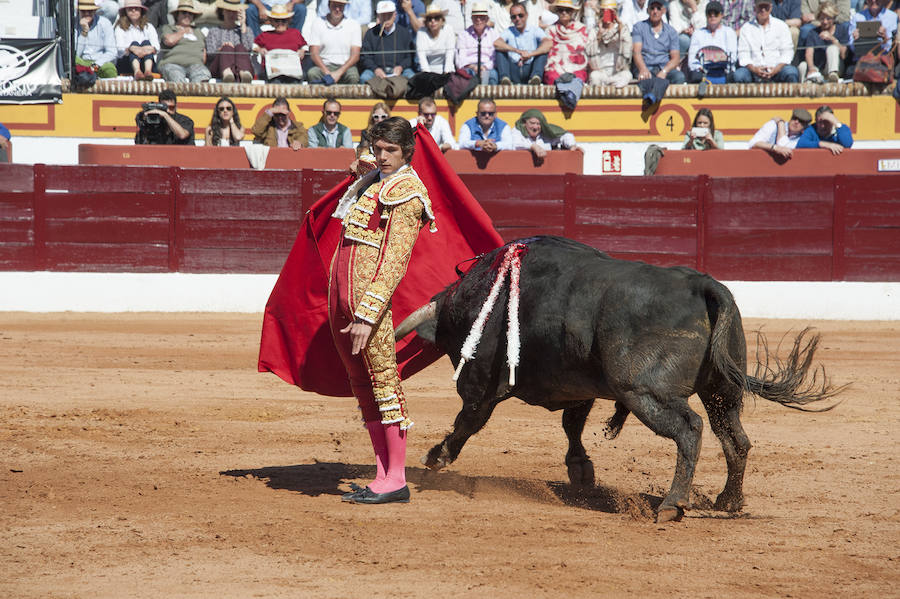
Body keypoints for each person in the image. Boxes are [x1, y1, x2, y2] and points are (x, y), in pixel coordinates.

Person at [329, 117, 436, 504]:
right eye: (378, 149)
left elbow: (394, 261)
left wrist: (367, 314)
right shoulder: (375, 182)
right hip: (343, 298)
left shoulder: (406, 191)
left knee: (384, 383)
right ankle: (381, 475)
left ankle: (398, 479)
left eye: (390, 150)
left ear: (407, 151)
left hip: (366, 306)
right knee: (363, 386)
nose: (383, 156)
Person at [733, 0, 800, 82]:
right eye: (760, 7)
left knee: (791, 72)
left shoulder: (781, 26)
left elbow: (787, 53)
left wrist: (776, 69)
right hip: (753, 72)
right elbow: (743, 55)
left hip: (777, 70)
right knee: (739, 75)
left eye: (766, 7)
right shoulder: (746, 28)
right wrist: (754, 69)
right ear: (755, 8)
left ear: (771, 8)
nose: (763, 10)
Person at [494, 1, 553, 84]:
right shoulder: (508, 31)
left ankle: (536, 77)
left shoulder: (535, 30)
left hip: (530, 68)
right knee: (500, 50)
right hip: (513, 68)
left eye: (520, 15)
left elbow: (548, 44)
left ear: (526, 15)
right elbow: (497, 43)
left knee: (543, 49)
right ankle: (505, 78)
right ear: (511, 19)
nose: (517, 19)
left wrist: (530, 54)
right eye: (514, 17)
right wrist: (517, 51)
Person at [306, 0, 363, 85]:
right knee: (312, 73)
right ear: (329, 5)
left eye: (340, 6)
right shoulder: (318, 23)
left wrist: (338, 73)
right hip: (323, 66)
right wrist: (327, 73)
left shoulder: (354, 24)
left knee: (353, 76)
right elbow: (314, 53)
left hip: (346, 67)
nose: (337, 9)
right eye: (334, 6)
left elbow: (355, 56)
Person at [360, 1, 417, 84]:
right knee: (364, 78)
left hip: (400, 70)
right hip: (375, 71)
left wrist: (401, 67)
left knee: (412, 77)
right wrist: (376, 69)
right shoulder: (371, 33)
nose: (386, 18)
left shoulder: (404, 33)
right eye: (383, 15)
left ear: (395, 15)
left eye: (389, 15)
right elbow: (365, 57)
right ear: (378, 16)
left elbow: (409, 57)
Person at [633, 0, 686, 83]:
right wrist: (643, 69)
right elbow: (636, 52)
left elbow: (675, 58)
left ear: (664, 11)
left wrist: (664, 71)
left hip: (663, 67)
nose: (655, 11)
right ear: (647, 10)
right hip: (646, 67)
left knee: (679, 77)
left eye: (658, 8)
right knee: (645, 79)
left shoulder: (671, 31)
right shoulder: (639, 27)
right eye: (652, 8)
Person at [159, 0, 212, 83]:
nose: (187, 15)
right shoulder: (169, 28)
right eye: (184, 12)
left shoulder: (198, 31)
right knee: (176, 77)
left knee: (203, 75)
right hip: (173, 64)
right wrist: (183, 31)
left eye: (190, 13)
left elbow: (203, 52)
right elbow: (169, 41)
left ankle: (195, 95)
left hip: (195, 66)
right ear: (177, 15)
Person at [687, 0, 738, 82]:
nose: (712, 16)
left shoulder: (729, 32)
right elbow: (692, 60)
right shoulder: (697, 33)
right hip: (703, 72)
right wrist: (701, 68)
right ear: (706, 15)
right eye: (709, 13)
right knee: (694, 76)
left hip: (724, 70)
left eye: (716, 13)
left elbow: (733, 58)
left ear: (722, 15)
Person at [204, 0, 255, 83]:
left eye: (234, 12)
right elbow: (210, 53)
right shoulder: (214, 31)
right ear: (222, 11)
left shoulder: (246, 30)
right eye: (228, 11)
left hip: (242, 67)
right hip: (219, 69)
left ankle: (244, 74)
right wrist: (223, 49)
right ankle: (227, 73)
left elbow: (249, 49)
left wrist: (243, 25)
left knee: (240, 47)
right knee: (227, 48)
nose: (231, 14)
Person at [252, 4, 307, 80]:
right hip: (272, 72)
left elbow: (305, 46)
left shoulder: (295, 33)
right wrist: (260, 50)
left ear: (288, 21)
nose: (280, 23)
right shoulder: (265, 35)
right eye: (277, 20)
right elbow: (253, 45)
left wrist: (302, 51)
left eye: (283, 20)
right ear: (271, 21)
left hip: (293, 71)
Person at [586, 0, 633, 87]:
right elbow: (589, 52)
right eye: (604, 11)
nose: (607, 14)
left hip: (618, 72)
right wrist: (598, 37)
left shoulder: (622, 30)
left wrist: (621, 29)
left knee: (627, 75)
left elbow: (628, 51)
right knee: (594, 76)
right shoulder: (594, 30)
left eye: (610, 12)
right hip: (601, 72)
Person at [798, 1, 849, 82]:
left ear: (833, 18)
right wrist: (811, 68)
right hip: (819, 67)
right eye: (822, 18)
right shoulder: (813, 32)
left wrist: (833, 39)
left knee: (832, 48)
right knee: (802, 66)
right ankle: (805, 86)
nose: (825, 22)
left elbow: (844, 55)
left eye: (828, 18)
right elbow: (809, 53)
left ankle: (833, 75)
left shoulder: (841, 30)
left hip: (836, 66)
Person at [543, 0, 590, 84]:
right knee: (552, 79)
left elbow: (588, 51)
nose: (564, 13)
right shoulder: (550, 30)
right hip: (555, 67)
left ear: (572, 12)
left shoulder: (583, 29)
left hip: (577, 67)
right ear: (557, 12)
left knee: (577, 82)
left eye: (567, 10)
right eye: (561, 10)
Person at [456, 2, 501, 85]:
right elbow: (460, 58)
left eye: (482, 17)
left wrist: (484, 67)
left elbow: (494, 58)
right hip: (469, 67)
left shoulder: (494, 34)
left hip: (487, 67)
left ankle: (489, 97)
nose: (478, 20)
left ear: (487, 19)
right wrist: (473, 67)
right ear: (472, 18)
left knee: (493, 76)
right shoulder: (463, 35)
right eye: (476, 17)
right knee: (462, 76)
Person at [114, 0, 160, 80]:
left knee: (146, 42)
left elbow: (156, 47)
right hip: (127, 63)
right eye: (130, 9)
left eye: (136, 8)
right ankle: (137, 71)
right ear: (126, 11)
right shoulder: (120, 28)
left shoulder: (149, 27)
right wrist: (131, 48)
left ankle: (148, 71)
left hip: (146, 60)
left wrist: (143, 50)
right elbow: (119, 49)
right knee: (134, 44)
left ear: (141, 11)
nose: (133, 11)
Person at [75, 0, 119, 79]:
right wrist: (84, 32)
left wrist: (95, 66)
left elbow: (112, 52)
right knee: (73, 61)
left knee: (110, 69)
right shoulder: (74, 24)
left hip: (99, 64)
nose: (86, 14)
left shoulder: (105, 23)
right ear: (79, 11)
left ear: (95, 11)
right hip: (82, 64)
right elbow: (76, 54)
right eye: (83, 11)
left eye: (90, 11)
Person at [511, 109, 578, 160]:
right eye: (532, 123)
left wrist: (572, 146)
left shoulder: (546, 133)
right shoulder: (517, 131)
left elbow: (566, 135)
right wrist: (533, 147)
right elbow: (515, 144)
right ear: (524, 123)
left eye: (538, 124)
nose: (535, 127)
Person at [747, 107, 812, 158]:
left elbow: (782, 144)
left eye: (801, 121)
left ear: (805, 126)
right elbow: (752, 143)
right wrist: (775, 148)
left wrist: (780, 123)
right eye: (794, 118)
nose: (796, 122)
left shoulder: (803, 138)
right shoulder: (773, 125)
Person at [416, 6, 456, 74]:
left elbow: (450, 53)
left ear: (442, 20)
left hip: (447, 69)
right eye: (429, 19)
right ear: (426, 22)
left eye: (436, 18)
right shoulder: (421, 32)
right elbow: (421, 56)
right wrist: (428, 75)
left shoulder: (448, 29)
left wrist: (446, 73)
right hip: (427, 70)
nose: (433, 21)